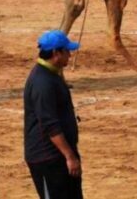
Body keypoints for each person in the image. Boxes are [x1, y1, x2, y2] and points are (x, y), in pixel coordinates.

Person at [24, 30, 82, 199]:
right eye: (67, 51)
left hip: (58, 156)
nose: (70, 56)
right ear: (56, 53)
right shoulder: (43, 82)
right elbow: (51, 126)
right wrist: (70, 156)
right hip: (49, 159)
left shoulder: (50, 75)